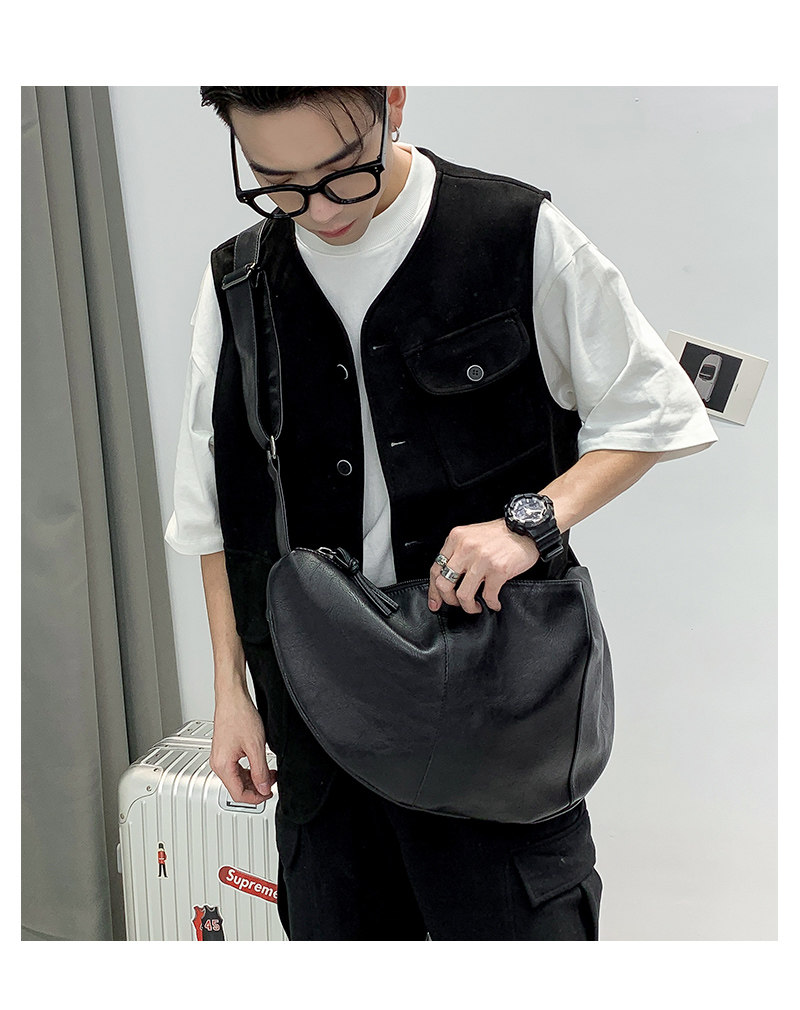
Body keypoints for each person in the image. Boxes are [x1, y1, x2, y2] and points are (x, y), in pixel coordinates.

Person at [165, 86, 717, 940]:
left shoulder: (512, 233)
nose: (320, 211)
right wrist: (230, 693)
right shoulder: (240, 280)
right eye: (279, 184)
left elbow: (652, 413)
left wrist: (531, 523)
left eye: (341, 172)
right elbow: (216, 511)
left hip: (502, 713)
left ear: (393, 99)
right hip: (320, 728)